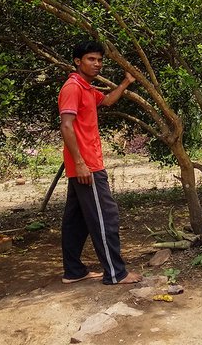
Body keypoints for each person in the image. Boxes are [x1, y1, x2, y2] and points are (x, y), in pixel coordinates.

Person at [58, 40, 143, 285]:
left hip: (84, 165)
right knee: (106, 217)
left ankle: (73, 271)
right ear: (77, 61)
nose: (97, 64)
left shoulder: (85, 87)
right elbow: (66, 125)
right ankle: (116, 273)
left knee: (77, 220)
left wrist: (126, 82)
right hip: (88, 166)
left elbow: (106, 101)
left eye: (99, 60)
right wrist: (81, 162)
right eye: (91, 59)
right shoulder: (72, 88)